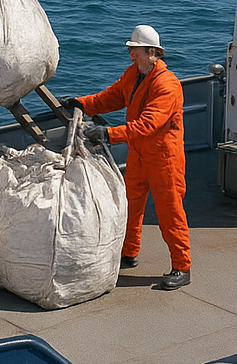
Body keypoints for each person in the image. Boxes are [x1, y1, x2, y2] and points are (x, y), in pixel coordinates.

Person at [65, 25, 191, 290]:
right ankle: (129, 252)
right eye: (131, 51)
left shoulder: (167, 85)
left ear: (152, 52)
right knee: (130, 206)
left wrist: (108, 134)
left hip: (164, 159)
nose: (131, 55)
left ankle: (182, 266)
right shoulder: (134, 74)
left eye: (135, 51)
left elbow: (148, 124)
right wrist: (82, 103)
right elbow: (111, 97)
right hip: (139, 154)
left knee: (170, 213)